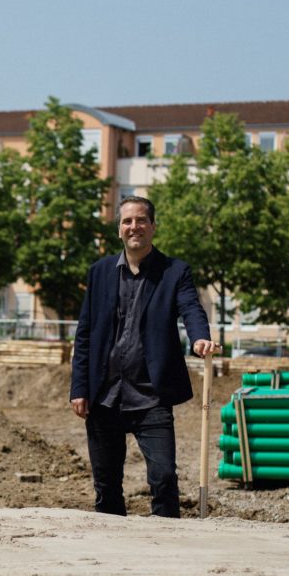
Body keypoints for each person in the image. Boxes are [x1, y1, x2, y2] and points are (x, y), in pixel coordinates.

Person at [69, 195, 217, 517]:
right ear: (119, 229)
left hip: (151, 395)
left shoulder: (175, 271)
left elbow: (190, 307)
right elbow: (85, 334)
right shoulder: (100, 272)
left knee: (163, 478)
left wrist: (200, 337)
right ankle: (113, 548)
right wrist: (79, 388)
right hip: (104, 396)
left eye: (140, 221)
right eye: (127, 221)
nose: (133, 227)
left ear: (152, 227)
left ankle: (167, 544)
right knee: (106, 484)